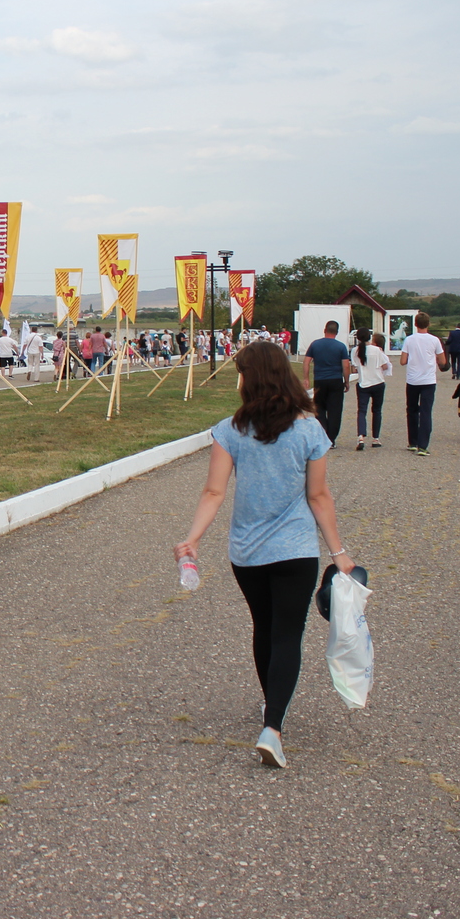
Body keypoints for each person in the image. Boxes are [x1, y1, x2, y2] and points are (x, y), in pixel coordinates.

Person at [174, 341, 354, 769]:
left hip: (247, 552)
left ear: (250, 378)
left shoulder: (230, 430)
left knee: (264, 628)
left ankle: (270, 708)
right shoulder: (311, 430)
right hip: (296, 551)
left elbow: (214, 491)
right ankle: (273, 725)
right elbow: (319, 495)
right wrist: (339, 553)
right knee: (287, 634)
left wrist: (193, 538)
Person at [399, 312, 447, 455]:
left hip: (413, 380)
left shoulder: (409, 340)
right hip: (428, 380)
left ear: (415, 324)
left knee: (412, 410)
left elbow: (402, 361)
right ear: (429, 324)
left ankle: (412, 441)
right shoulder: (435, 340)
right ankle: (423, 445)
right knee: (426, 412)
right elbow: (443, 361)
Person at [303, 320, 353, 448]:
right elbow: (346, 365)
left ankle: (324, 431)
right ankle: (331, 438)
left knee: (319, 408)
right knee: (335, 410)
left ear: (325, 330)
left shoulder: (315, 345)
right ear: (337, 332)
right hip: (335, 380)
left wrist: (306, 378)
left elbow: (306, 361)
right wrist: (346, 381)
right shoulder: (341, 346)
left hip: (320, 379)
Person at [350, 328, 392, 450]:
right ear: (370, 337)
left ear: (357, 338)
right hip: (378, 382)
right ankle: (376, 438)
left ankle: (361, 436)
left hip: (363, 383)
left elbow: (354, 369)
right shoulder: (377, 350)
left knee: (362, 410)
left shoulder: (355, 351)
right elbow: (384, 366)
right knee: (377, 410)